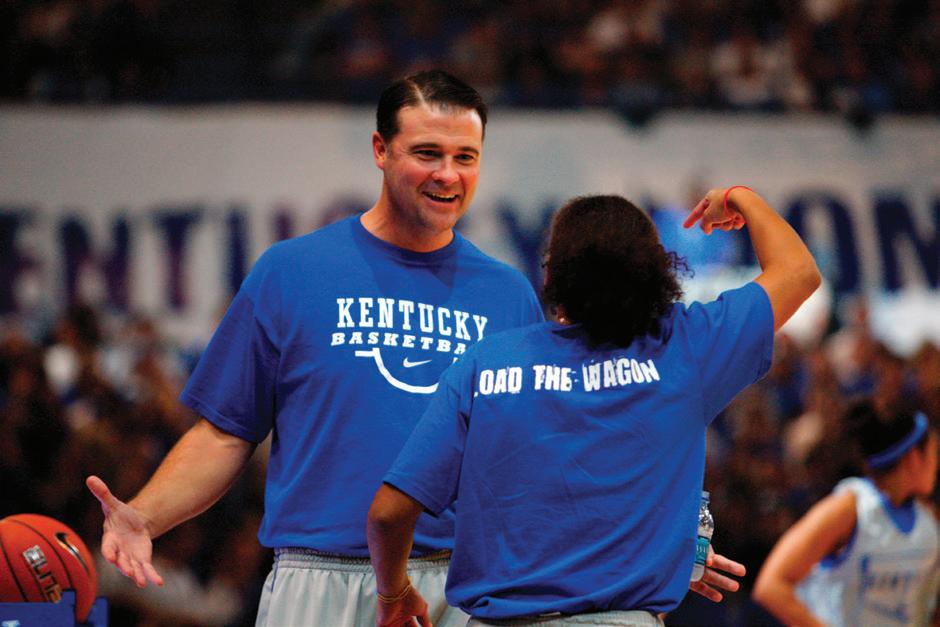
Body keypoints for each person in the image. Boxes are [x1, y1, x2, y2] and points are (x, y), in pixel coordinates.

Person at [85, 70, 746, 627]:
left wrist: (660, 539)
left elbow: (565, 452)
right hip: (316, 580)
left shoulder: (508, 293)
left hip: (458, 590)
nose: (448, 175)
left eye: (466, 157)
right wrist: (144, 516)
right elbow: (224, 432)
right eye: (427, 153)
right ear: (380, 149)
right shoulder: (291, 272)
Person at [367, 187, 821, 626]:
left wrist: (394, 595)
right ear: (656, 273)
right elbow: (798, 272)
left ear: (550, 276)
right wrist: (741, 198)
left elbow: (388, 513)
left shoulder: (486, 363)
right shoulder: (687, 348)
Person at [753, 402, 939, 627]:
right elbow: (771, 585)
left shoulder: (928, 519)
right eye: (934, 453)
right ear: (913, 458)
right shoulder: (849, 508)